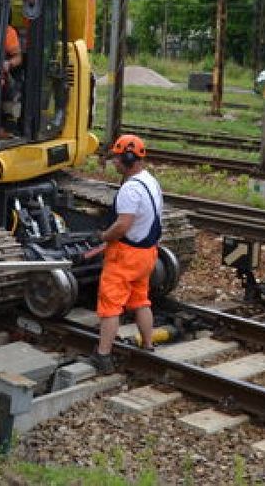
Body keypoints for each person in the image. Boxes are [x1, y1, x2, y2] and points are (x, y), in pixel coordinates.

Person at [76, 134, 163, 374]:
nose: (114, 162)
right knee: (140, 301)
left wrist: (103, 237)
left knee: (110, 306)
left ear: (128, 157)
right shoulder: (150, 182)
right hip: (147, 254)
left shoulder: (130, 190)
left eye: (116, 157)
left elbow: (123, 224)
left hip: (125, 255)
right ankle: (148, 346)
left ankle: (103, 356)